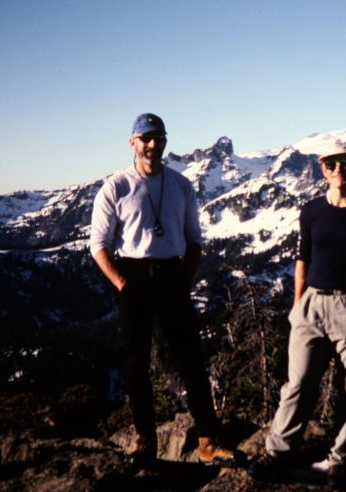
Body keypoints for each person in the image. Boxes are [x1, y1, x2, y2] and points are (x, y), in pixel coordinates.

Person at [89, 113, 240, 467]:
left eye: (160, 138)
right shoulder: (116, 186)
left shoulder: (181, 185)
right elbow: (98, 244)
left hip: (172, 273)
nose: (154, 145)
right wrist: (123, 284)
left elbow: (194, 241)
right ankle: (145, 441)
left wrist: (183, 279)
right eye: (147, 138)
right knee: (135, 363)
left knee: (191, 360)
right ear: (133, 142)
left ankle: (207, 441)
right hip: (134, 274)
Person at [249, 140, 346, 486]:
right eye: (331, 164)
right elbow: (303, 260)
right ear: (322, 169)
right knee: (297, 384)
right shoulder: (311, 211)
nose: (338, 170)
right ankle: (278, 454)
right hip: (311, 305)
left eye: (345, 163)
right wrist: (299, 305)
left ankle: (339, 462)